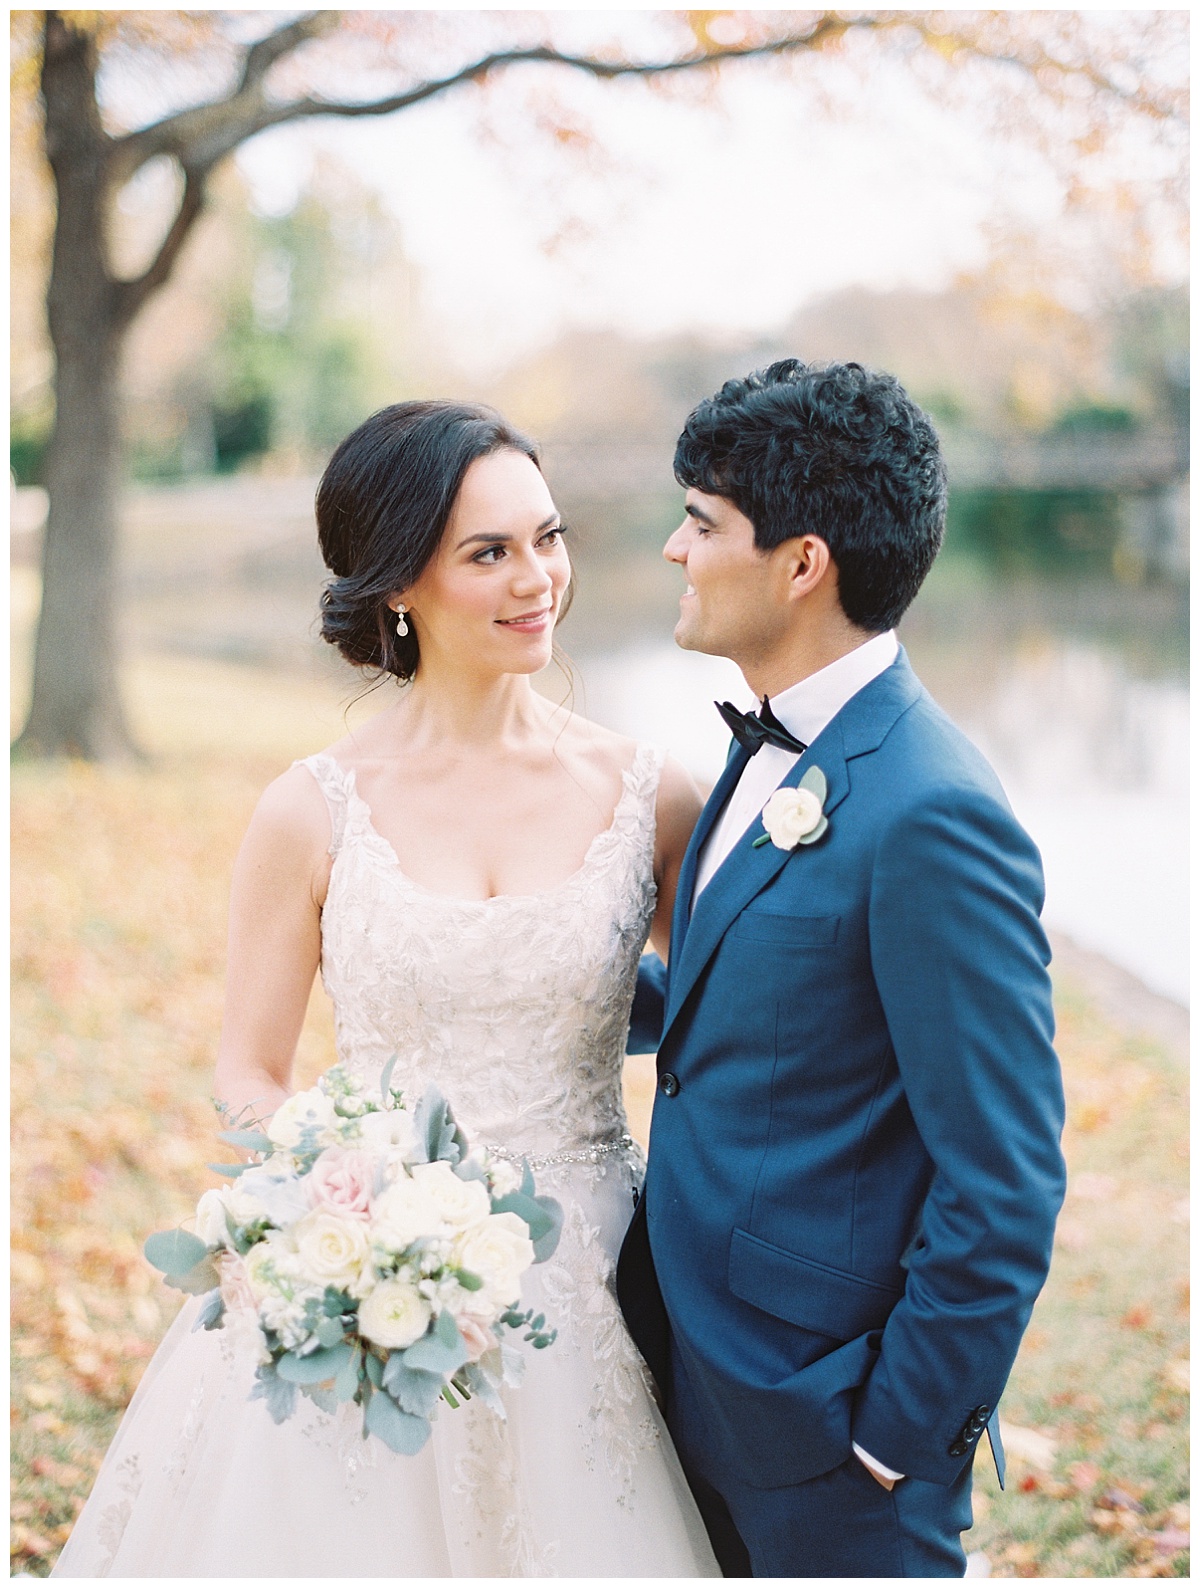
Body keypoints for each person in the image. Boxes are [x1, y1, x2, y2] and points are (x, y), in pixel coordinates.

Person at [53, 400, 718, 1578]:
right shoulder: (309, 810)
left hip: (603, 1285)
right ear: (398, 583)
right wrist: (340, 1210)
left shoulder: (652, 796)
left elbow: (740, 1034)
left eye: (546, 537)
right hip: (371, 1285)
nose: (538, 579)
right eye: (489, 552)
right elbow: (249, 1069)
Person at [616, 359, 1068, 1578]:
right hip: (691, 1375)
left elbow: (1007, 1179)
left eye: (702, 522)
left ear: (801, 563)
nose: (674, 548)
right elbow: (758, 1017)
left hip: (831, 1440)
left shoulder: (932, 812)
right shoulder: (767, 749)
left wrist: (895, 1440)